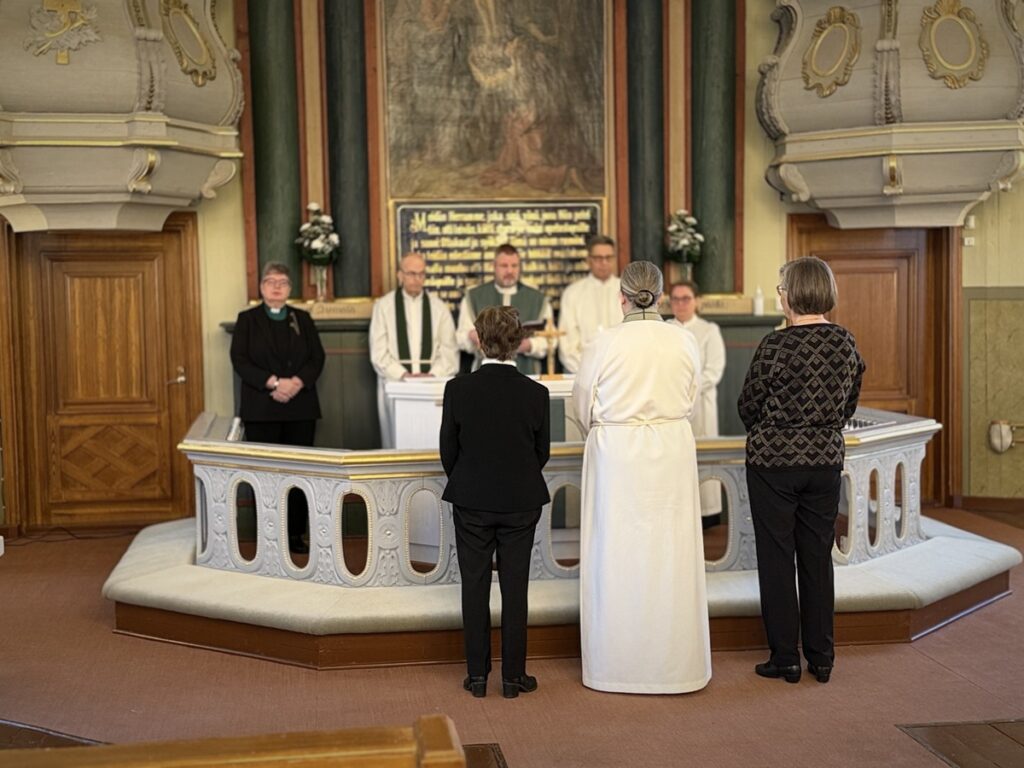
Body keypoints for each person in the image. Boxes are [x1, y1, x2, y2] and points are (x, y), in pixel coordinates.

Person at [572, 260, 711, 694]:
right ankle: (675, 665)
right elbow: (691, 396)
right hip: (670, 450)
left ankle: (616, 664)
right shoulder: (684, 339)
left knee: (616, 554)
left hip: (618, 456)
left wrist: (605, 426)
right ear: (662, 295)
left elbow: (581, 405)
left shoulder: (605, 341)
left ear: (622, 297)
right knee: (671, 553)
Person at [738, 256, 865, 685]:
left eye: (781, 289)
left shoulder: (775, 346)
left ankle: (784, 658)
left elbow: (747, 406)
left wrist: (777, 428)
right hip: (824, 461)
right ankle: (822, 656)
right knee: (817, 557)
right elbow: (848, 404)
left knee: (777, 559)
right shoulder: (845, 342)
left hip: (773, 464)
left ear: (791, 295)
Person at [441, 306, 550, 699]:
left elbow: (448, 453)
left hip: (471, 498)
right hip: (521, 500)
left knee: (474, 586)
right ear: (519, 343)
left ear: (479, 340)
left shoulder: (458, 389)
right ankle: (513, 677)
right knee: (515, 588)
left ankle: (476, 676)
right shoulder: (536, 393)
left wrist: (472, 479)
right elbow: (542, 453)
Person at [230, 262, 326, 554]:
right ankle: (268, 535)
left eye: (282, 282)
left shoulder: (302, 318)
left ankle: (297, 534)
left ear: (289, 288)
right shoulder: (247, 320)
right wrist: (273, 383)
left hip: (300, 409)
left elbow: (317, 358)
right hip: (262, 409)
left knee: (299, 474)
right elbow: (240, 360)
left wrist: (295, 382)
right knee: (266, 474)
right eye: (271, 281)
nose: (276, 287)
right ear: (261, 287)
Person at [369, 253, 458, 448]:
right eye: (411, 273)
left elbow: (449, 351)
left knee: (431, 441)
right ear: (400, 275)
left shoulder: (439, 308)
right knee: (397, 442)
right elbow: (378, 352)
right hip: (396, 383)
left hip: (432, 385)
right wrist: (404, 375)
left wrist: (431, 375)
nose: (416, 279)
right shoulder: (383, 306)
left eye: (421, 274)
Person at [668, 280, 727, 518]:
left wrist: (687, 389)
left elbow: (714, 369)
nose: (681, 304)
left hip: (701, 403)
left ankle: (707, 513)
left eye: (686, 298)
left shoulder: (708, 330)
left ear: (696, 301)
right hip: (671, 404)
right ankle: (678, 513)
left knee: (702, 456)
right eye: (676, 299)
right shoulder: (665, 329)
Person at [456, 244, 554, 374]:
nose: (509, 271)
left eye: (514, 266)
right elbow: (460, 337)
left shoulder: (538, 299)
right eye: (504, 266)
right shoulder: (473, 297)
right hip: (484, 376)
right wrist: (471, 336)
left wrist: (529, 345)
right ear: (494, 266)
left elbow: (551, 339)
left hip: (526, 374)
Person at [557, 234, 622, 374]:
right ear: (588, 260)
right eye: (598, 258)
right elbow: (567, 344)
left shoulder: (627, 291)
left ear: (614, 259)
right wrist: (588, 372)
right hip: (582, 375)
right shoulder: (573, 293)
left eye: (608, 258)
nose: (604, 263)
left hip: (621, 375)